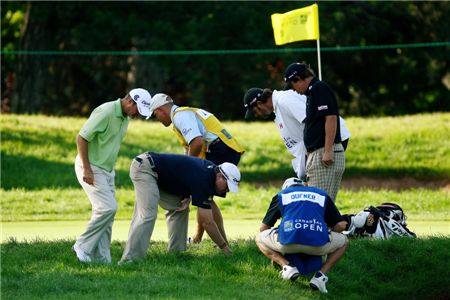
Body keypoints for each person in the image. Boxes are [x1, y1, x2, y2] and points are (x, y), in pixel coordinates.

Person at [148, 93, 245, 244]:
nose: (157, 119)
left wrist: (190, 167)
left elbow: (197, 142)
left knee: (203, 195)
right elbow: (190, 147)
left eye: (155, 114)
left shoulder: (180, 116)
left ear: (161, 110)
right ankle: (198, 239)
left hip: (220, 149)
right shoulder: (184, 114)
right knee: (202, 195)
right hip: (226, 149)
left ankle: (219, 242)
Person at [73, 88, 152, 263]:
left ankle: (102, 260)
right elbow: (82, 137)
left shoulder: (125, 117)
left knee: (107, 217)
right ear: (130, 102)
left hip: (108, 171)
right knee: (108, 208)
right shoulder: (106, 111)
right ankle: (82, 246)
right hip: (91, 168)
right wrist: (87, 169)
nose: (138, 115)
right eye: (138, 111)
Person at [119, 152, 240, 264]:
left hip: (159, 175)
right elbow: (207, 222)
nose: (228, 190)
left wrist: (186, 194)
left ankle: (176, 255)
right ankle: (130, 260)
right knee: (147, 214)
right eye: (228, 186)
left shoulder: (210, 174)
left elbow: (186, 176)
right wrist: (224, 248)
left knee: (179, 208)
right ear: (220, 176)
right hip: (145, 168)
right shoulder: (205, 178)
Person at [256, 177, 348, 294]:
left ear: (285, 188)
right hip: (318, 246)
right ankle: (320, 276)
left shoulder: (282, 195)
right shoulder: (321, 194)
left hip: (287, 244)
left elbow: (263, 228)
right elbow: (340, 226)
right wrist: (327, 232)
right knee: (344, 241)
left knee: (259, 238)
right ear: (305, 186)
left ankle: (287, 267)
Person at [243, 87, 350, 181]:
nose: (256, 115)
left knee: (320, 193)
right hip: (317, 148)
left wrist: (325, 151)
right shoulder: (278, 107)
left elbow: (314, 122)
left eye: (254, 111)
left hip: (327, 143)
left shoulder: (284, 100)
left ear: (259, 104)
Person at [284, 62, 346, 202]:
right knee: (317, 205)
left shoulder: (319, 88)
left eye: (292, 85)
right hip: (317, 153)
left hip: (324, 153)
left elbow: (330, 118)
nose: (293, 90)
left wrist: (328, 150)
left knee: (318, 205)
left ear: (298, 78)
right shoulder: (312, 92)